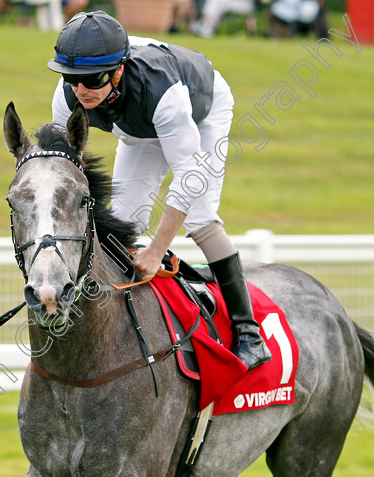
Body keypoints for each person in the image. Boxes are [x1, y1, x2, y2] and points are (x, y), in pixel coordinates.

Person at [46, 11, 271, 369]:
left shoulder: (164, 93)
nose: (79, 90)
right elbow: (67, 165)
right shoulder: (69, 94)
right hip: (136, 130)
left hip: (199, 111)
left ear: (118, 71)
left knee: (199, 218)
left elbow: (190, 176)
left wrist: (156, 249)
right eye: (72, 79)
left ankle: (249, 333)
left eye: (90, 80)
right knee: (123, 224)